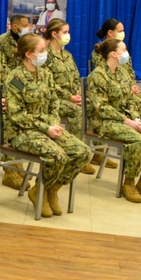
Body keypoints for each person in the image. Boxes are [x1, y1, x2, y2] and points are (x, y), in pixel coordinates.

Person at [3, 34, 92, 217]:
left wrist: (53, 123)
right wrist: (46, 128)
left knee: (82, 152)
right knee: (57, 156)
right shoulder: (16, 79)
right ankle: (41, 192)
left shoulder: (45, 74)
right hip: (22, 131)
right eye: (42, 51)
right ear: (29, 54)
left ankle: (49, 190)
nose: (45, 54)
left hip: (47, 126)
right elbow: (16, 114)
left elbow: (54, 103)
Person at [87, 38, 141, 204]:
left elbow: (130, 100)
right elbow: (102, 108)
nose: (127, 53)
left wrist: (136, 118)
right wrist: (127, 121)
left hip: (125, 118)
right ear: (113, 54)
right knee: (138, 141)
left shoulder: (122, 72)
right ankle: (129, 183)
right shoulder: (98, 76)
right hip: (104, 122)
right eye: (123, 50)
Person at [45, 19, 96, 176]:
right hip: (53, 100)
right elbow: (48, 84)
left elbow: (75, 78)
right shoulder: (45, 55)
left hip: (72, 97)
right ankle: (74, 155)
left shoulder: (67, 55)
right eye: (65, 32)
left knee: (94, 105)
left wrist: (78, 94)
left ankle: (94, 152)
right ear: (54, 34)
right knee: (77, 112)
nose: (68, 35)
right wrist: (69, 97)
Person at [91, 18, 141, 124]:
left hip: (128, 88)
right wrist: (126, 87)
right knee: (139, 103)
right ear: (110, 32)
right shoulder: (100, 51)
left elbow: (129, 71)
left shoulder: (122, 49)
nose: (123, 33)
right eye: (120, 31)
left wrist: (133, 85)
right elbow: (107, 73)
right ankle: (132, 126)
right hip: (115, 90)